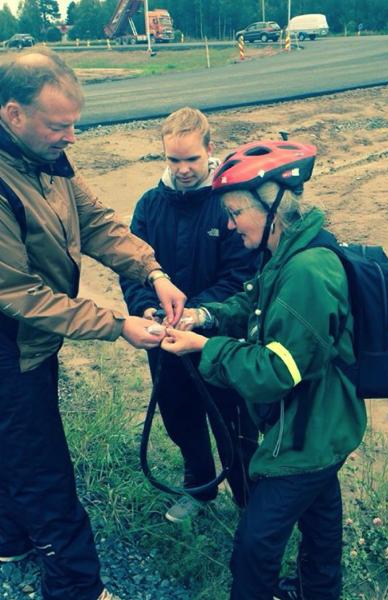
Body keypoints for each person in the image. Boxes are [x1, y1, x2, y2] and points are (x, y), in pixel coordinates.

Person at [0, 48, 186, 600]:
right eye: (60, 125)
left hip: (29, 341)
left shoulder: (45, 159)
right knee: (42, 467)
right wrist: (116, 325)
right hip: (10, 345)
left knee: (16, 448)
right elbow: (20, 294)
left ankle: (11, 537)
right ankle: (77, 587)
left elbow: (98, 222)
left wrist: (153, 271)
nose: (72, 137)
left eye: (74, 123)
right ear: (13, 114)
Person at [160, 139, 368, 599]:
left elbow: (274, 370)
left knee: (254, 546)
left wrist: (203, 347)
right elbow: (252, 301)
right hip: (321, 423)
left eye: (235, 213)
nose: (230, 225)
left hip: (305, 435)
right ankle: (319, 591)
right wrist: (204, 317)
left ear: (271, 204)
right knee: (320, 517)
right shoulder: (288, 254)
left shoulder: (308, 272)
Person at [120, 107, 259, 522]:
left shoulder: (228, 204)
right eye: (173, 160)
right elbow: (132, 268)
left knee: (234, 428)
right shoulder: (149, 205)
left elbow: (241, 277)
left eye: (191, 160)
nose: (182, 169)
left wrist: (198, 314)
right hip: (163, 343)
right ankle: (200, 489)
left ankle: (249, 502)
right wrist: (145, 309)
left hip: (217, 339)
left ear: (209, 151)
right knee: (180, 419)